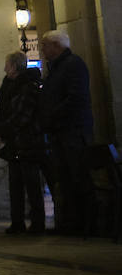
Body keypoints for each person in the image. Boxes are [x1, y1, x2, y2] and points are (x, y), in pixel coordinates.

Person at [38, 30, 93, 236]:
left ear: (57, 46)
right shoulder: (57, 68)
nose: (42, 50)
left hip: (72, 131)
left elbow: (75, 98)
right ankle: (71, 222)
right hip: (60, 132)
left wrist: (52, 115)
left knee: (77, 176)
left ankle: (85, 223)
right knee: (65, 178)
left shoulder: (73, 65)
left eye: (45, 45)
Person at [0, 51, 46, 235]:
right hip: (13, 142)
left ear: (13, 67)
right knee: (15, 184)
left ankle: (37, 222)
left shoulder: (27, 86)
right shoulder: (8, 86)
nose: (4, 68)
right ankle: (17, 221)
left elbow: (22, 116)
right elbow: (3, 111)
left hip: (27, 142)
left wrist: (3, 129)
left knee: (32, 184)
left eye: (7, 64)